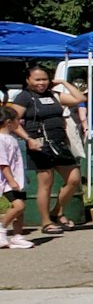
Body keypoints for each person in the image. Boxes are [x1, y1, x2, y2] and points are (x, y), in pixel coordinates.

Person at [12, 64, 82, 233]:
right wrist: (28, 139)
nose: (41, 83)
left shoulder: (54, 95)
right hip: (39, 145)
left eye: (44, 79)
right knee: (46, 184)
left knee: (74, 179)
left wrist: (64, 82)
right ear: (28, 80)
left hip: (59, 143)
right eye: (37, 80)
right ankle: (46, 222)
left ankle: (57, 211)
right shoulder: (24, 97)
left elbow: (80, 99)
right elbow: (12, 121)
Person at [0, 104, 34, 248]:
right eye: (17, 120)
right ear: (9, 122)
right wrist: (11, 180)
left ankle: (17, 235)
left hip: (18, 179)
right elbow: (2, 163)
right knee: (18, 206)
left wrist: (22, 177)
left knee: (21, 209)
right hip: (8, 180)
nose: (19, 123)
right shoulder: (1, 140)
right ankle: (2, 228)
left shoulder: (11, 138)